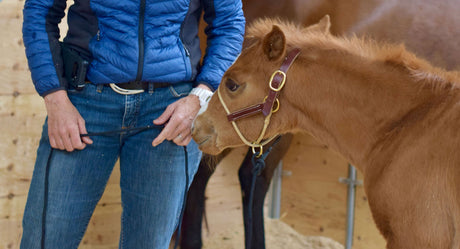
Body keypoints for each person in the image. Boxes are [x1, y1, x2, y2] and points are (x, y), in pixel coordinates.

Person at [20, 0, 245, 248]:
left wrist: (200, 97)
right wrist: (55, 99)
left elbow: (229, 23)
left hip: (172, 110)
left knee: (149, 243)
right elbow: (40, 9)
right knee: (45, 240)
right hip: (84, 104)